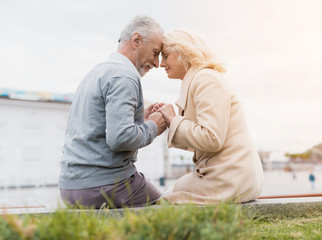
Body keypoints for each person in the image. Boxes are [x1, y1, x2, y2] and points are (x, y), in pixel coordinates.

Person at [59, 15, 167, 209]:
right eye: (155, 52)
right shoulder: (124, 76)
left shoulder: (96, 72)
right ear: (136, 40)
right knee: (167, 207)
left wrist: (139, 120)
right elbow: (120, 138)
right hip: (104, 186)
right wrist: (154, 127)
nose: (157, 62)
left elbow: (98, 125)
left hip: (69, 187)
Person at [154, 30, 264, 204]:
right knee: (166, 195)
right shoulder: (203, 78)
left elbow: (212, 138)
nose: (161, 64)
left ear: (184, 51)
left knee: (162, 201)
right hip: (234, 176)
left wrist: (174, 119)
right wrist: (170, 121)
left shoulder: (205, 79)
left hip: (229, 179)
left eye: (165, 56)